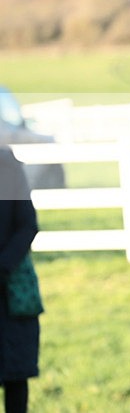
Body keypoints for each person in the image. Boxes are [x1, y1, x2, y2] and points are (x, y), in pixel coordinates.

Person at [0, 147, 41, 413]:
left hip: (10, 292)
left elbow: (27, 224)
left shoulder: (7, 167)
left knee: (15, 376)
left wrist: (3, 266)